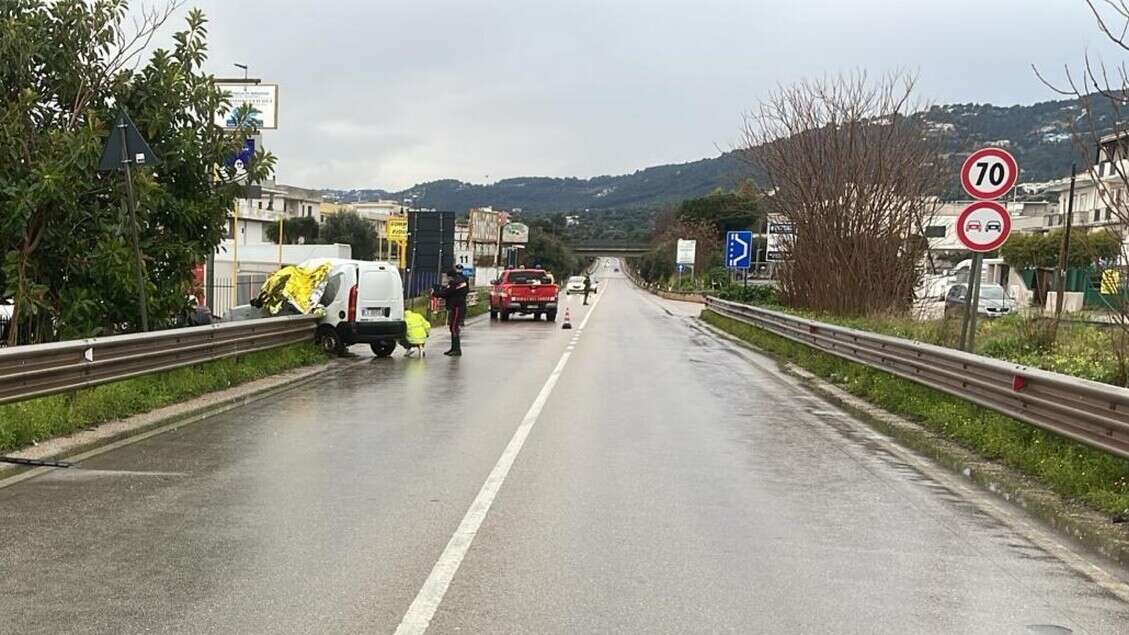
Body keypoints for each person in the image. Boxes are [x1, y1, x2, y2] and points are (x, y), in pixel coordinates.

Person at [434, 266, 469, 356]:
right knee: (453, 327)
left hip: (457, 306)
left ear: (450, 276)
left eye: (447, 277)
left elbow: (446, 293)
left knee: (454, 327)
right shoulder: (460, 281)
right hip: (458, 305)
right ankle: (453, 348)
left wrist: (435, 293)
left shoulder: (455, 282)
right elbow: (450, 291)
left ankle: (457, 350)